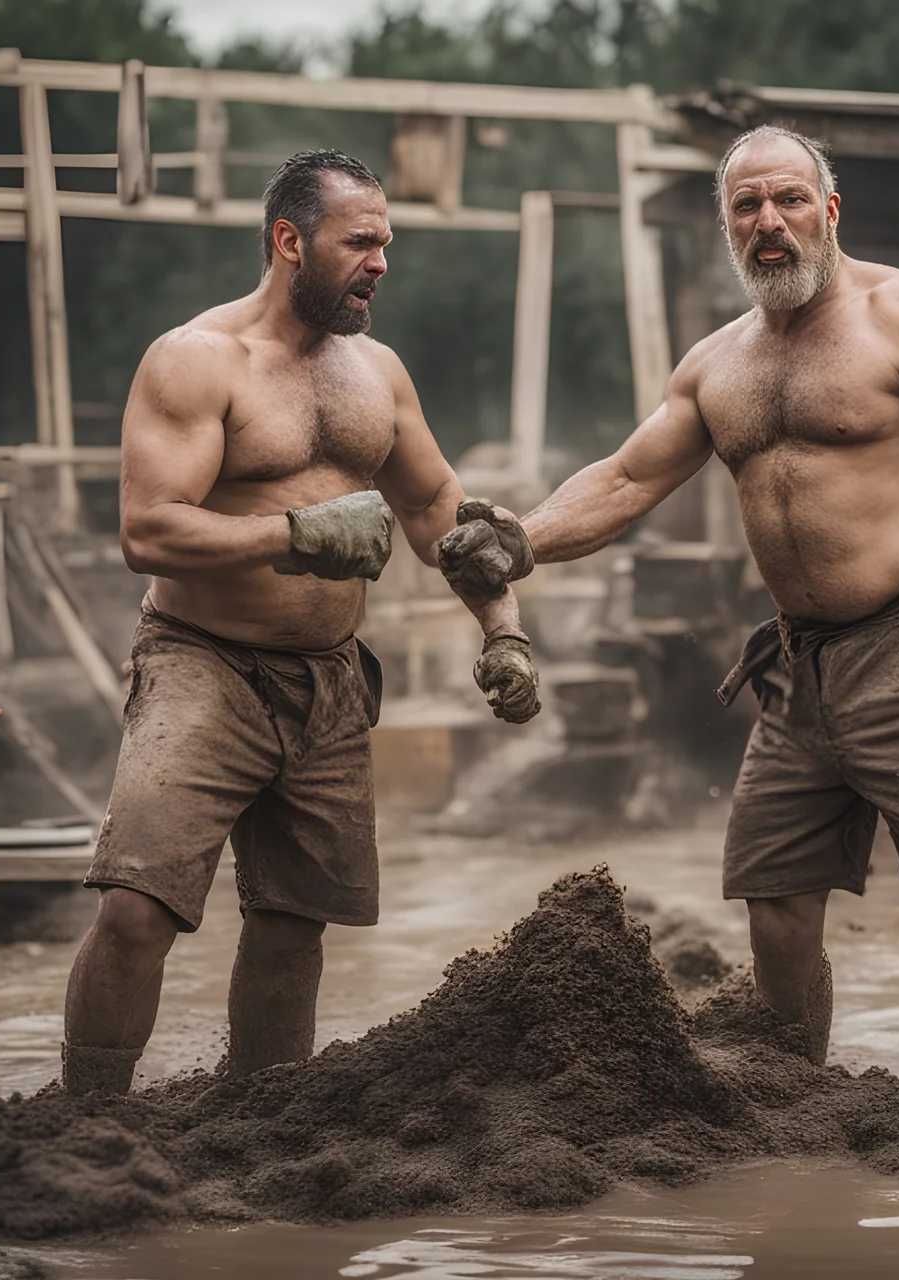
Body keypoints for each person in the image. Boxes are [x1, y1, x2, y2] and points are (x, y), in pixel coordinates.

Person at [437, 125, 899, 1098]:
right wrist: (522, 537)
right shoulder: (716, 365)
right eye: (747, 206)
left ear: (829, 210)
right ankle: (795, 1108)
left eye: (786, 200)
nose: (767, 222)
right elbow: (623, 476)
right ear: (727, 227)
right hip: (795, 670)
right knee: (775, 902)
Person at [60, 149, 541, 1096]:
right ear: (289, 240)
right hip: (204, 668)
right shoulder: (197, 361)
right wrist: (294, 532)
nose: (382, 262)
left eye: (386, 243)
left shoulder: (379, 375)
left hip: (329, 682)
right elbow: (146, 530)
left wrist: (504, 630)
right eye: (361, 241)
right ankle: (84, 1132)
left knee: (291, 923)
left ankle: (263, 1120)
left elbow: (440, 514)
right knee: (136, 909)